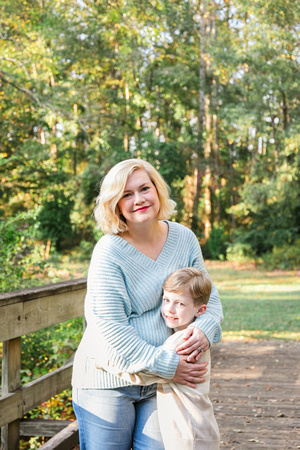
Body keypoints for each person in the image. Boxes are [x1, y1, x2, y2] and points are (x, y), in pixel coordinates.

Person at [72, 158, 223, 450]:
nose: (138, 199)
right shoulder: (109, 252)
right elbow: (113, 329)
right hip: (107, 381)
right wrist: (170, 365)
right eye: (126, 195)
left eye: (144, 188)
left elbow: (209, 298)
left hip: (160, 385)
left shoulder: (183, 238)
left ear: (157, 190)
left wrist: (204, 330)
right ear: (114, 205)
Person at [95, 267, 220, 450]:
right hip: (201, 426)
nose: (169, 309)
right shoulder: (197, 338)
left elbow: (143, 374)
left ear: (201, 310)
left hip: (185, 432)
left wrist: (104, 362)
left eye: (180, 304)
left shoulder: (182, 342)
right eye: (166, 300)